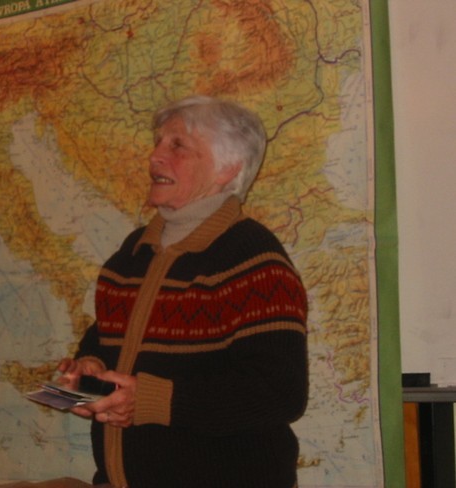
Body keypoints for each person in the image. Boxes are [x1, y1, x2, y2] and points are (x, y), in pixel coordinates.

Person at [58, 95, 308, 488]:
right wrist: (88, 366)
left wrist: (152, 401)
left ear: (227, 169)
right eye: (157, 143)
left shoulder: (253, 258)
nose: (154, 157)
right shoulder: (133, 251)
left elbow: (279, 392)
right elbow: (108, 334)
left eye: (177, 146)